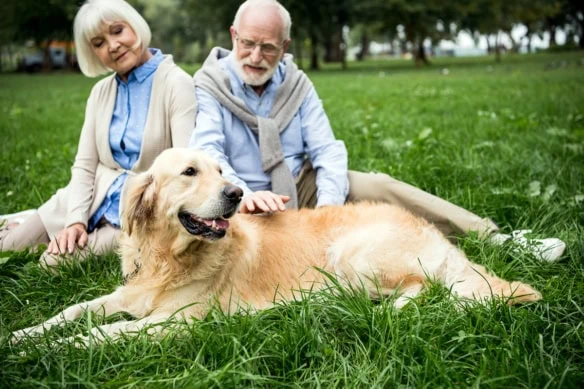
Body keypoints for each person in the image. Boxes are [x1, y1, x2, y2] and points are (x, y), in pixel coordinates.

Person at [189, 0, 566, 262]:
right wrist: (246, 195)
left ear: (285, 46)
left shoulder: (298, 84)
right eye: (248, 44)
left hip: (299, 186)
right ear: (233, 34)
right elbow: (209, 154)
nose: (255, 57)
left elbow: (328, 150)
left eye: (268, 48)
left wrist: (329, 210)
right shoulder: (209, 84)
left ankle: (498, 240)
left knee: (378, 184)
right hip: (240, 199)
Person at [0, 0, 196, 266]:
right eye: (99, 43)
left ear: (135, 26)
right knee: (9, 246)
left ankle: (22, 223)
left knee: (51, 264)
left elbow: (188, 169)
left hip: (137, 213)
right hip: (91, 196)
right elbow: (85, 165)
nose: (112, 45)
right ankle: (20, 224)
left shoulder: (177, 84)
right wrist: (75, 221)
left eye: (117, 31)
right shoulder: (100, 92)